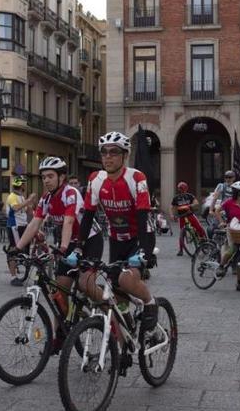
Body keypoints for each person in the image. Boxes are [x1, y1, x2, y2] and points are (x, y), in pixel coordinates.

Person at [78, 131, 159, 334]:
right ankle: (123, 344)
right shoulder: (95, 179)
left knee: (126, 280)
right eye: (104, 152)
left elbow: (142, 216)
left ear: (125, 156)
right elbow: (88, 216)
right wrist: (78, 248)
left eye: (114, 152)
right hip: (116, 240)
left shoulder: (136, 178)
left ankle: (150, 302)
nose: (108, 157)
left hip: (141, 237)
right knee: (117, 296)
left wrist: (142, 251)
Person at [14, 157, 104, 306]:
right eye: (43, 177)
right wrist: (17, 248)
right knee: (60, 292)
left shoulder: (70, 193)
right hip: (69, 242)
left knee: (85, 285)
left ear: (61, 177)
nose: (46, 180)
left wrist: (62, 248)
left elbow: (69, 221)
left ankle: (112, 316)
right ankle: (62, 329)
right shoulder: (46, 199)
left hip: (89, 240)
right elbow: (34, 224)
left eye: (50, 176)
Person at [5, 176, 36, 284]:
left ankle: (20, 270)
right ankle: (13, 277)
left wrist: (31, 205)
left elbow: (27, 212)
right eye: (24, 183)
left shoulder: (21, 197)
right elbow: (16, 208)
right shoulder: (12, 196)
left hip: (23, 225)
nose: (25, 185)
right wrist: (28, 200)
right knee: (14, 249)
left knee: (23, 248)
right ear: (21, 185)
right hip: (14, 226)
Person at [170, 181, 204, 256]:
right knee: (182, 233)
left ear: (186, 189)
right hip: (181, 216)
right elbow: (172, 207)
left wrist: (190, 206)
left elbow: (196, 203)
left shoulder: (190, 196)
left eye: (183, 188)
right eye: (180, 189)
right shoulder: (176, 198)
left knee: (199, 228)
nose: (181, 190)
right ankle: (181, 250)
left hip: (190, 214)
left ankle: (204, 241)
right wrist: (172, 215)